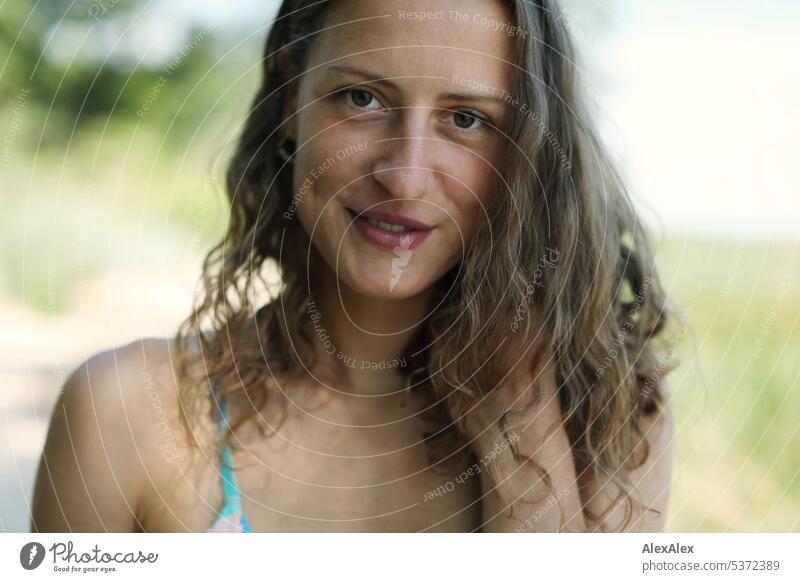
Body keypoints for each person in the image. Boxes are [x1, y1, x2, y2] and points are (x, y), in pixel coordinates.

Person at [31, 0, 675, 533]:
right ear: (292, 100)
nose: (404, 174)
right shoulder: (127, 414)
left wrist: (526, 447)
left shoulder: (608, 419)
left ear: (528, 152)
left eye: (466, 119)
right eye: (362, 98)